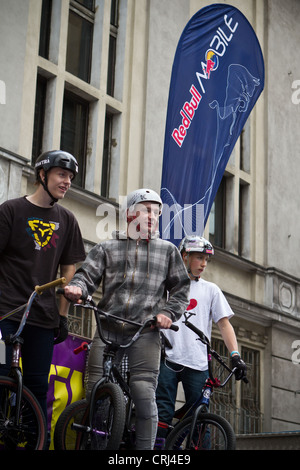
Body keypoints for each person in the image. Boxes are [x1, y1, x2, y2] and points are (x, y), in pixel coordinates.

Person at [62, 188, 190, 450]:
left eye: (157, 212)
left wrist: (166, 314)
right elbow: (85, 276)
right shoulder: (107, 247)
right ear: (131, 214)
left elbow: (181, 291)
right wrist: (77, 288)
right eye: (146, 210)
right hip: (107, 328)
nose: (153, 216)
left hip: (145, 331)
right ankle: (95, 445)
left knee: (143, 393)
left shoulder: (167, 251)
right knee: (96, 391)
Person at [0, 150, 86, 436]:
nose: (67, 182)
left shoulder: (68, 219)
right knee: (1, 379)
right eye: (62, 174)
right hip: (7, 312)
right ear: (42, 174)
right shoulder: (10, 210)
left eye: (71, 178)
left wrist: (62, 316)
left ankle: (31, 439)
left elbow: (68, 270)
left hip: (43, 316)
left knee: (37, 386)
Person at [156, 235, 247, 438]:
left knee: (200, 418)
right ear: (184, 256)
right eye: (199, 258)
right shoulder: (166, 285)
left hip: (197, 363)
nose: (204, 264)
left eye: (207, 259)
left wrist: (235, 355)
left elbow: (224, 324)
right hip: (166, 357)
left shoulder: (211, 290)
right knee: (161, 413)